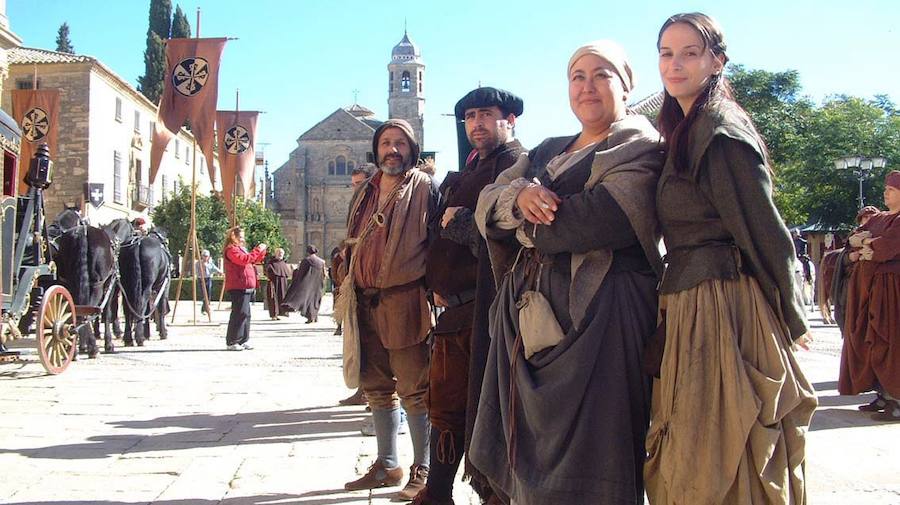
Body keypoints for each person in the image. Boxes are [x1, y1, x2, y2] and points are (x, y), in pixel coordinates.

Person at [471, 42, 664, 504]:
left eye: (602, 75)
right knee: (527, 463)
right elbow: (486, 205)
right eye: (577, 76)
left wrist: (517, 218)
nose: (588, 86)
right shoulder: (548, 150)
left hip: (602, 319)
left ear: (626, 84)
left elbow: (601, 219)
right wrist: (519, 196)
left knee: (597, 455)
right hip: (529, 321)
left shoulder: (642, 147)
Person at [646, 12, 817, 504]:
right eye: (666, 53)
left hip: (721, 308)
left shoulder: (720, 131)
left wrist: (792, 314)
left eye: (689, 53)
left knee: (720, 450)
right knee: (695, 447)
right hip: (689, 300)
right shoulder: (685, 125)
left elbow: (763, 228)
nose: (674, 64)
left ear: (716, 61)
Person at [413, 87, 525, 505]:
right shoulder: (467, 170)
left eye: (487, 114)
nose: (477, 123)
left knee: (487, 412)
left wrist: (462, 224)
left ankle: (492, 498)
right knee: (446, 409)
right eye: (470, 116)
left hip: (489, 312)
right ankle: (437, 494)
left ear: (509, 119)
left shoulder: (516, 166)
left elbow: (517, 240)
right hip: (453, 314)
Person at [337, 118, 439, 500]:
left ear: (411, 150)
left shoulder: (425, 188)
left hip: (405, 302)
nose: (392, 150)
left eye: (399, 143)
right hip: (363, 302)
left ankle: (423, 467)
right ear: (376, 149)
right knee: (377, 387)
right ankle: (387, 464)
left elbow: (437, 243)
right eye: (385, 143)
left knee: (415, 389)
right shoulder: (364, 190)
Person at [840, 171, 900, 421]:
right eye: (885, 189)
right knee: (871, 340)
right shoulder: (880, 218)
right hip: (871, 288)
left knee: (891, 341)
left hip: (893, 290)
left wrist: (869, 246)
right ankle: (883, 394)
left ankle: (897, 398)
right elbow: (855, 238)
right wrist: (860, 241)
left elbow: (889, 245)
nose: (885, 193)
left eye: (891, 190)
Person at [222, 226, 267, 351]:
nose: (243, 239)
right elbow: (244, 260)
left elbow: (252, 260)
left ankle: (243, 339)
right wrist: (257, 250)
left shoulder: (241, 249)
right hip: (238, 285)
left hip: (246, 286)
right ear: (233, 237)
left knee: (246, 314)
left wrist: (261, 252)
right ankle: (232, 341)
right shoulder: (231, 250)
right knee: (239, 313)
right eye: (240, 237)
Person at [281, 246, 327, 323]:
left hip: (307, 285)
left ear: (307, 252)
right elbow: (324, 274)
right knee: (315, 300)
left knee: (308, 300)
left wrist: (295, 273)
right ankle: (314, 316)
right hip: (318, 285)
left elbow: (300, 274)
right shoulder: (322, 262)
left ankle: (310, 317)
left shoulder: (306, 261)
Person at [264, 248, 293, 320]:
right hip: (274, 283)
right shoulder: (271, 263)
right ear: (275, 253)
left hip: (283, 284)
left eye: (282, 253)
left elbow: (287, 274)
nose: (280, 254)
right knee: (273, 298)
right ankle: (274, 315)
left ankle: (283, 312)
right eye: (279, 252)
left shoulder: (283, 263)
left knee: (283, 297)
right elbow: (268, 272)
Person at [196, 249, 222, 315]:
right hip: (201, 279)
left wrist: (220, 272)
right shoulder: (198, 263)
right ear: (202, 256)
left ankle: (206, 308)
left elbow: (214, 268)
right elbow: (196, 271)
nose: (205, 257)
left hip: (208, 279)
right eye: (204, 256)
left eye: (207, 256)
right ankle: (204, 309)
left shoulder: (210, 263)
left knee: (208, 294)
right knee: (204, 295)